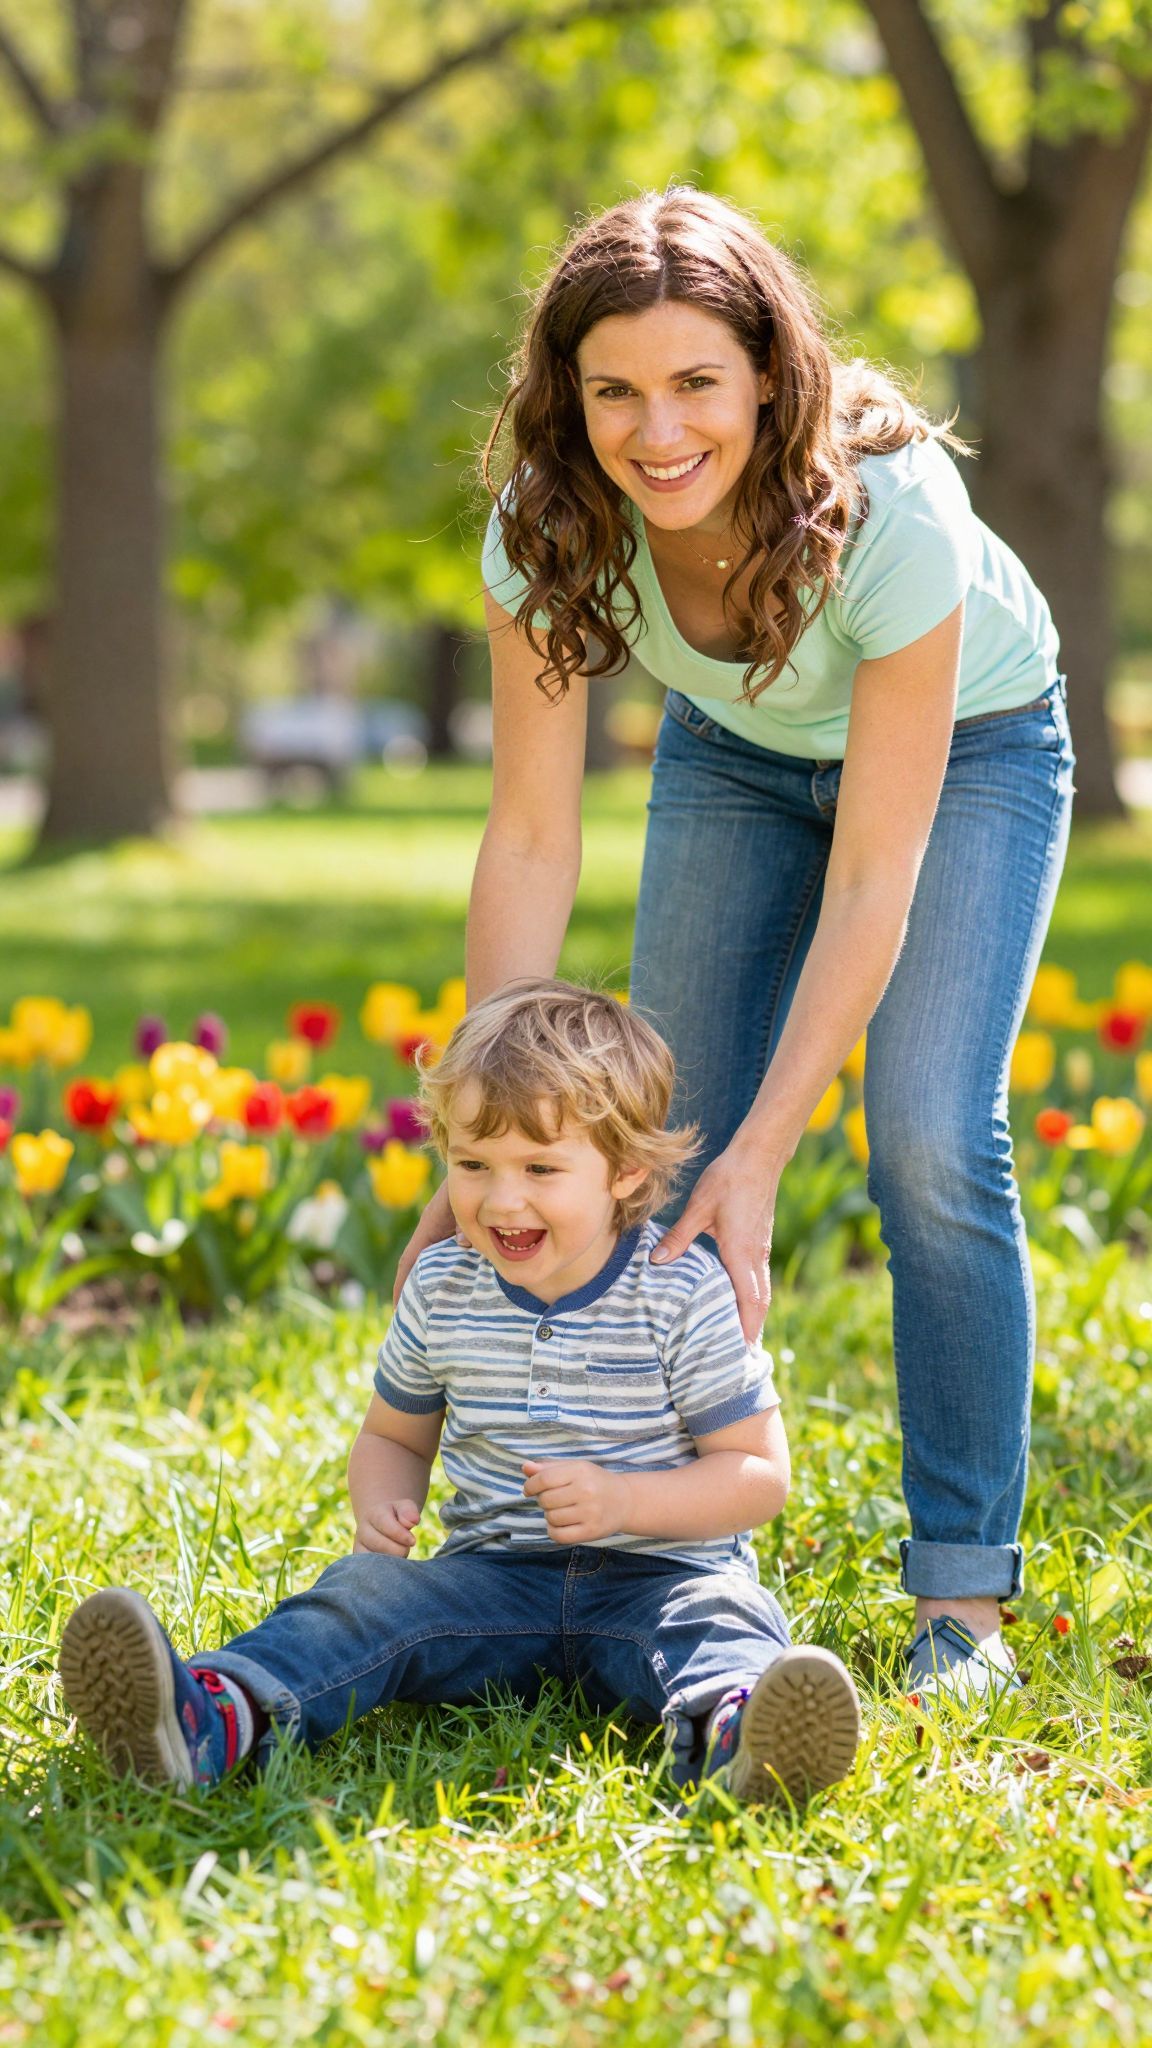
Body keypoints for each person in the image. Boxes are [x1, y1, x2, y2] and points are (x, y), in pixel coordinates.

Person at [398, 187, 1075, 1700]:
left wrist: (766, 1158)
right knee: (649, 1142)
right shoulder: (545, 522)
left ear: (768, 375)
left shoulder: (893, 521)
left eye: (698, 382)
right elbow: (529, 837)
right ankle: (661, 1538)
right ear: (566, 399)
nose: (658, 432)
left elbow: (874, 880)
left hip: (971, 757)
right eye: (616, 390)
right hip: (734, 752)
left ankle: (963, 1601)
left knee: (927, 1139)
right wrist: (495, 1126)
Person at [60, 981, 861, 1802]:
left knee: (722, 1620)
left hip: (660, 1578)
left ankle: (742, 1737)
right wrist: (381, 1501)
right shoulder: (445, 1285)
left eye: (540, 1167)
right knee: (360, 1597)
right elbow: (394, 1437)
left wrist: (626, 1502)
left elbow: (758, 1476)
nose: (500, 1197)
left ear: (625, 1171)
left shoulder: (679, 1289)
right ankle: (211, 1717)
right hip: (491, 1581)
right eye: (472, 1165)